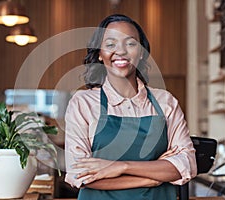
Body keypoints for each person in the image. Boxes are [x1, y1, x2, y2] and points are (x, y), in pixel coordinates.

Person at [64, 14, 197, 200]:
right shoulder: (83, 103)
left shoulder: (166, 102)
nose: (121, 51)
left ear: (141, 52)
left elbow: (187, 164)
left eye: (131, 43)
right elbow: (80, 174)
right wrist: (151, 178)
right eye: (110, 44)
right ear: (100, 54)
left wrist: (121, 167)